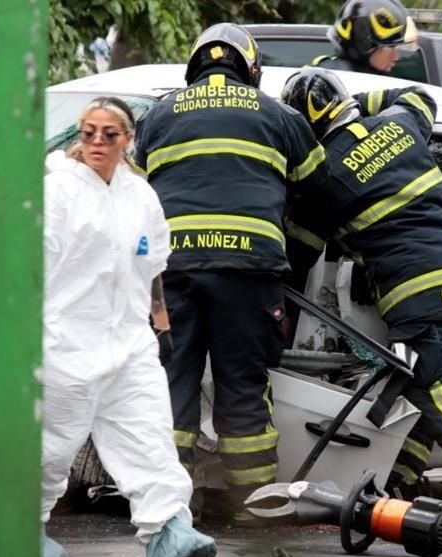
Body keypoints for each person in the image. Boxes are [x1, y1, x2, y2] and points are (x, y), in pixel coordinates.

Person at [279, 67, 442, 526]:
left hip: (417, 287)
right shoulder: (399, 125)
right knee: (425, 388)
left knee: (434, 384)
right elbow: (419, 96)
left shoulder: (323, 176)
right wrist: (359, 101)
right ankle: (400, 481)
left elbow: (298, 254)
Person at [134, 24, 328, 522]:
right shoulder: (278, 115)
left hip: (171, 270)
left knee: (170, 384)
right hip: (249, 270)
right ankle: (254, 504)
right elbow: (317, 186)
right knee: (242, 384)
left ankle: (170, 506)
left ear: (195, 65)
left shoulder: (156, 116)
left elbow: (133, 190)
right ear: (250, 68)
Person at [42, 96, 216, 557]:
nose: (97, 141)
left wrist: (159, 325)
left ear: (129, 140)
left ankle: (169, 532)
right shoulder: (57, 192)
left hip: (129, 345)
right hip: (64, 343)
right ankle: (22, 525)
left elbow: (153, 270)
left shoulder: (141, 196)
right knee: (49, 447)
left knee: (150, 438)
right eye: (88, 132)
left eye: (109, 133)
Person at [312, 0, 418, 75]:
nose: (396, 57)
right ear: (363, 45)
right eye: (390, 47)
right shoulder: (337, 81)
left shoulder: (369, 77)